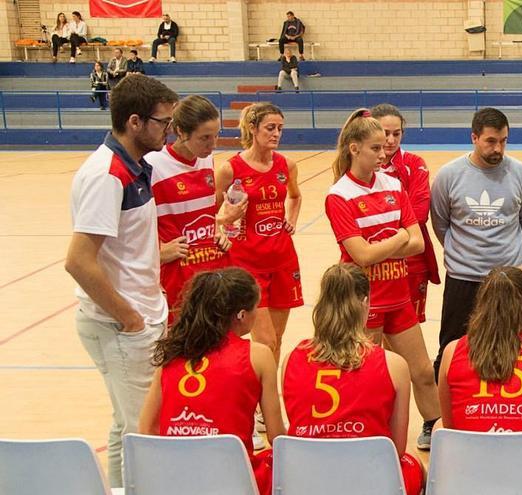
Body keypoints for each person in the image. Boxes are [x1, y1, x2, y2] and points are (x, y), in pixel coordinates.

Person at [64, 74, 178, 487]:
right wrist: (130, 319)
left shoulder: (134, 167)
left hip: (141, 317)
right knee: (142, 431)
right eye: (163, 122)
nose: (170, 129)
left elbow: (124, 247)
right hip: (122, 328)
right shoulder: (107, 175)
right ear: (135, 122)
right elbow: (79, 261)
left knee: (124, 427)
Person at [324, 108, 441, 450]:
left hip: (399, 298)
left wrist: (382, 244)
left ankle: (434, 427)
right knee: (365, 375)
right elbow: (361, 256)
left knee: (421, 371)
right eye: (375, 148)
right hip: (364, 304)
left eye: (385, 146)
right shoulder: (339, 195)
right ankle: (363, 432)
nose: (384, 152)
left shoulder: (393, 185)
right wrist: (398, 239)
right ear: (354, 148)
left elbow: (417, 241)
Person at [139, 268, 285, 495]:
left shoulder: (172, 353)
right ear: (242, 315)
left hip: (175, 480)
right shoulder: (258, 355)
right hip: (231, 480)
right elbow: (277, 438)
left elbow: (147, 428)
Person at [281, 264, 424, 495]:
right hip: (368, 480)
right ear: (366, 303)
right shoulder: (393, 364)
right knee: (414, 463)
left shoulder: (290, 360)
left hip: (309, 479)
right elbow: (395, 450)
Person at [437, 266, 522, 495]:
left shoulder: (453, 351)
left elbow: (452, 427)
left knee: (439, 428)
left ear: (481, 305)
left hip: (470, 475)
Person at [430, 107, 522, 379]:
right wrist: (465, 254)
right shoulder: (449, 175)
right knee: (453, 350)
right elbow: (441, 223)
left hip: (509, 279)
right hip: (464, 278)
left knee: (515, 348)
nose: (498, 148)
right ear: (474, 137)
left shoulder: (521, 174)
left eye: (503, 141)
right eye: (491, 141)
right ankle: (444, 417)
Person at [214, 102, 303, 364]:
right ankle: (257, 397)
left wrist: (291, 220)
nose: (276, 134)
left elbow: (295, 197)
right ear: (253, 128)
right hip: (247, 262)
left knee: (276, 338)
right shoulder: (230, 169)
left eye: (280, 128)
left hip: (282, 259)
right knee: (265, 341)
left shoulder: (287, 165)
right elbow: (207, 213)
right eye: (270, 128)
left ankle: (266, 400)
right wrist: (224, 219)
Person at [147, 95, 238, 323]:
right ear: (180, 131)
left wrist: (217, 230)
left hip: (210, 267)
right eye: (205, 138)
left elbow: (203, 214)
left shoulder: (206, 160)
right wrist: (156, 253)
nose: (213, 144)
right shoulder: (152, 165)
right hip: (176, 275)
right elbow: (131, 224)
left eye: (216, 135)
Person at [370, 103, 440, 326]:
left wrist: (379, 229)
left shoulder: (414, 164)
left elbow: (418, 215)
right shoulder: (360, 166)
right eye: (385, 133)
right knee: (370, 333)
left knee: (407, 329)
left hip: (412, 261)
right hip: (371, 264)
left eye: (396, 134)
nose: (390, 140)